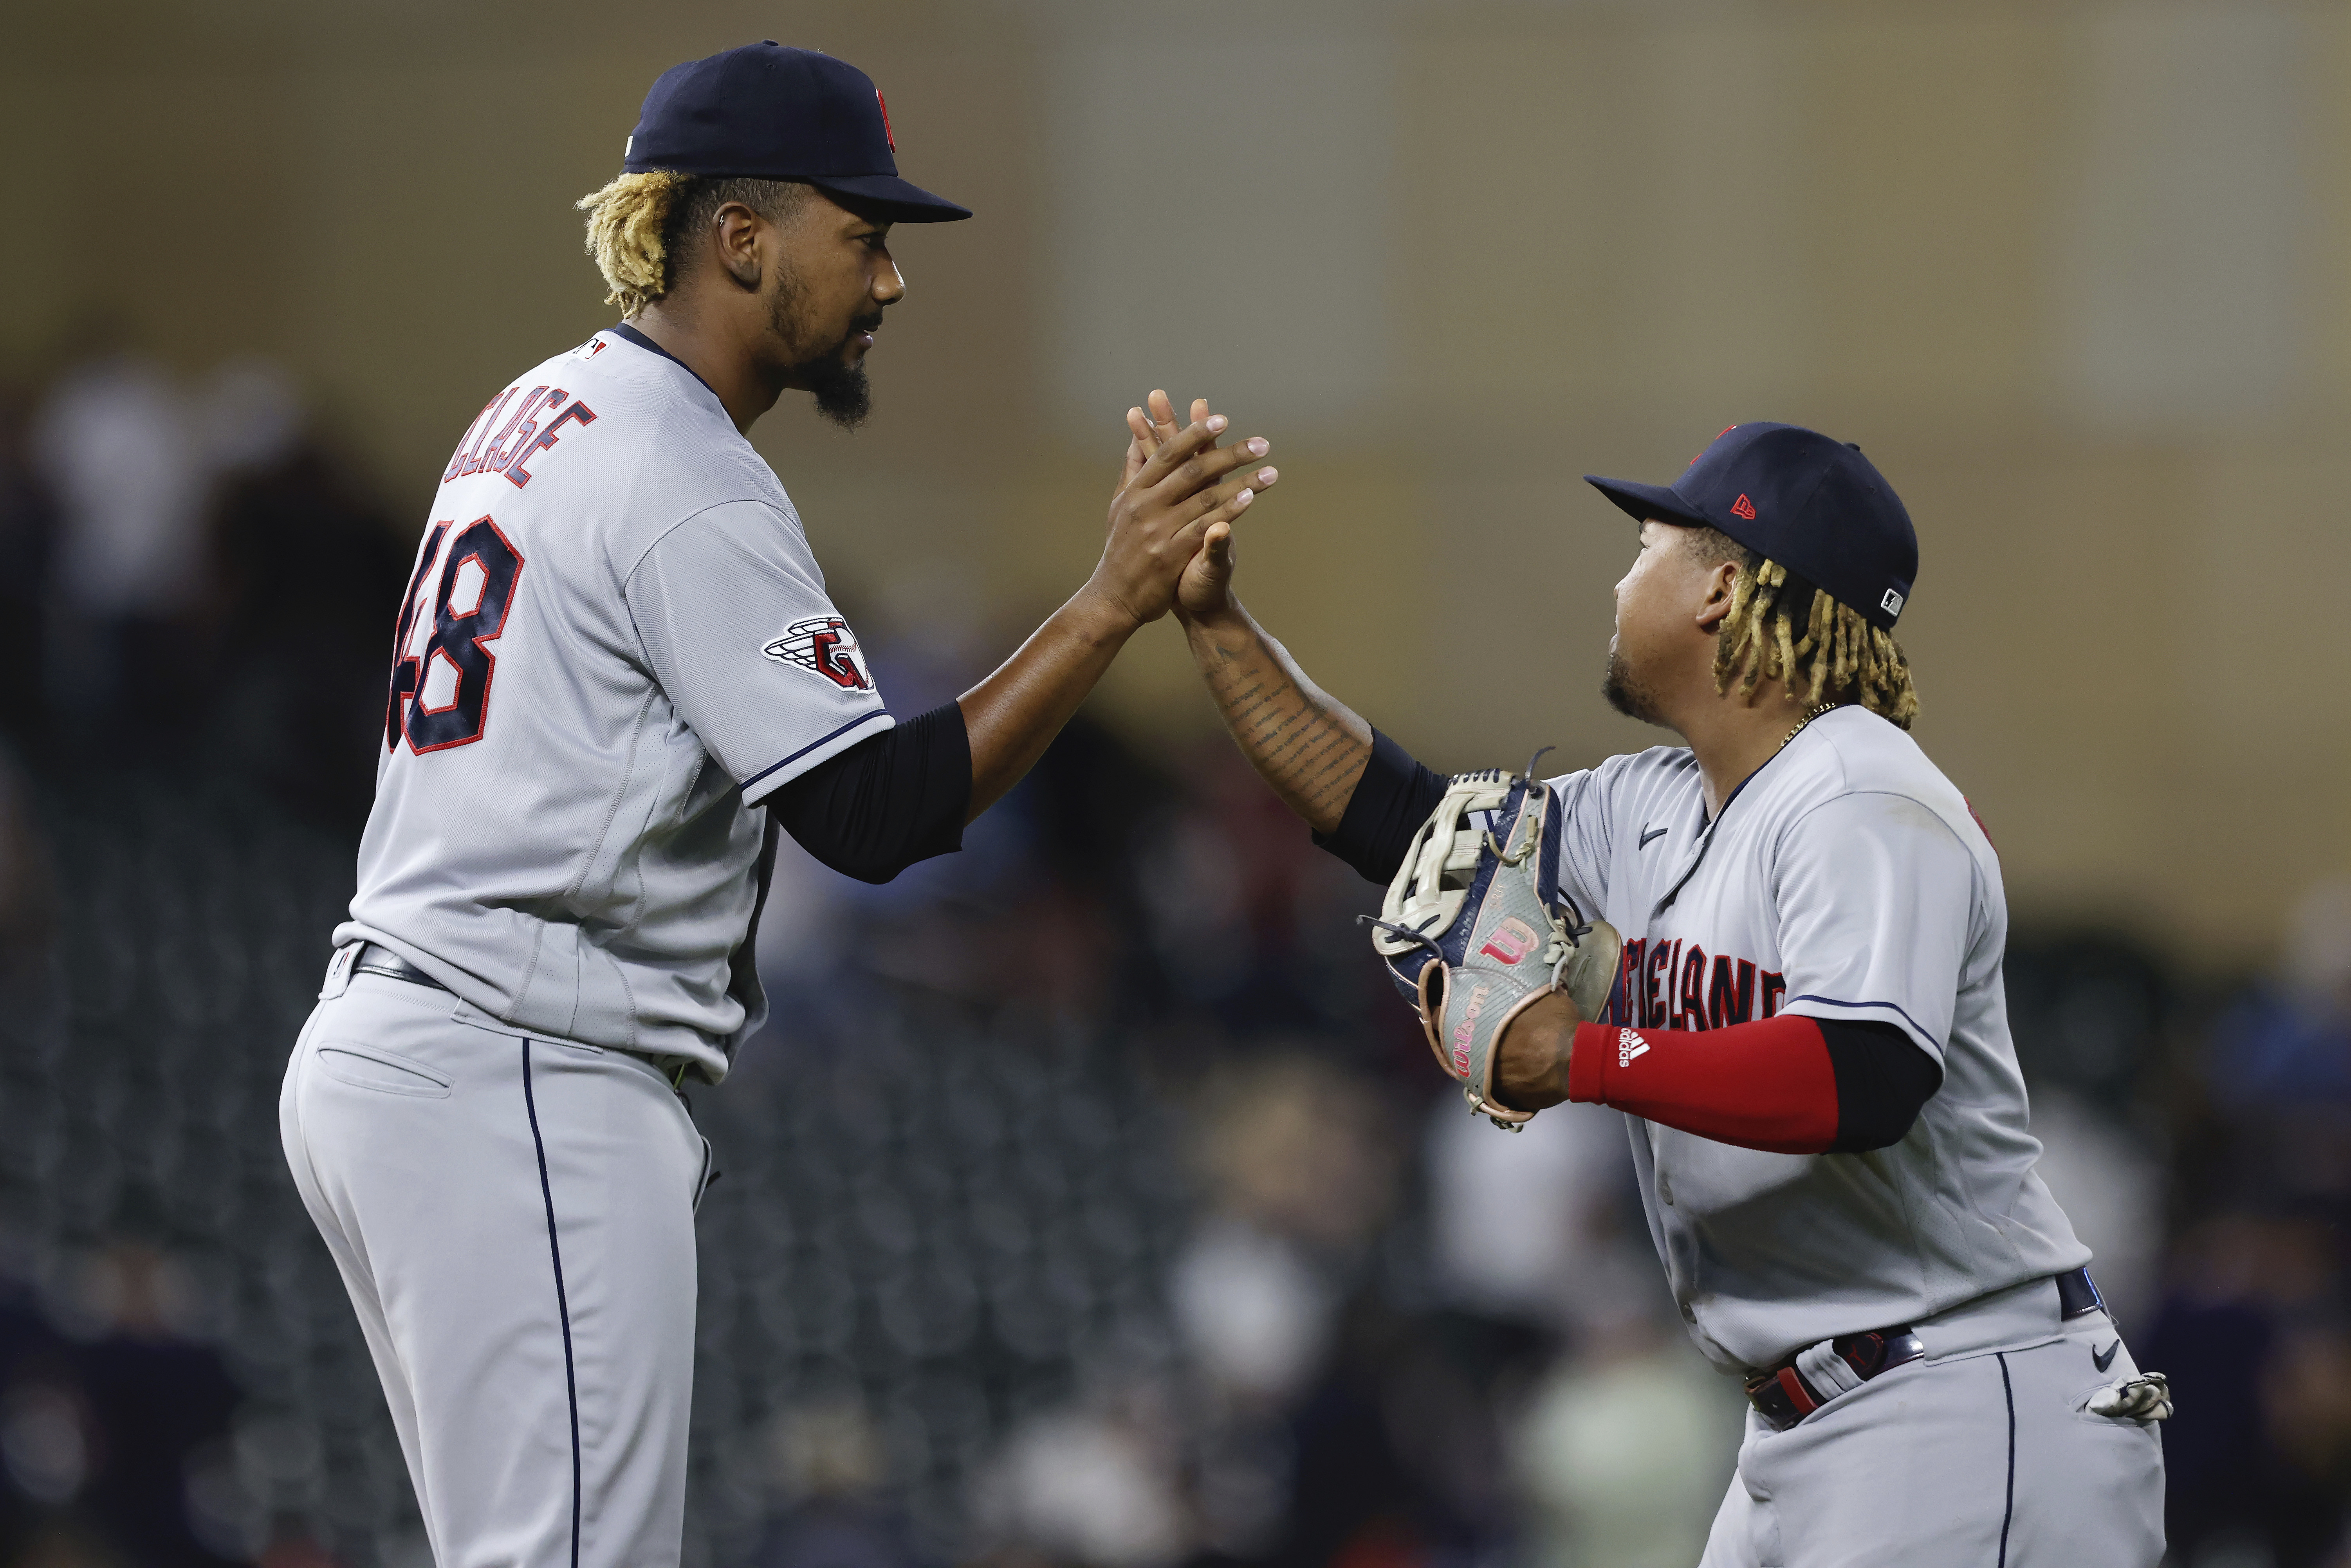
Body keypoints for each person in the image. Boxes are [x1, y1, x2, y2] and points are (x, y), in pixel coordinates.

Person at [278, 45, 1277, 1568]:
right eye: (861, 236)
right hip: (521, 1060)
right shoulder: (681, 468)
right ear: (740, 236)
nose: (886, 282)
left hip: (410, 1046)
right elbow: (874, 816)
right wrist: (1110, 599)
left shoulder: (541, 407)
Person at [1153, 408, 2168, 1566]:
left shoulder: (1861, 794)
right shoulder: (1649, 804)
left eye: (1650, 548)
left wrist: (1575, 1057)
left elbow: (1864, 1073)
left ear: (1724, 590)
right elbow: (1398, 817)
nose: (1626, 573)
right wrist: (1215, 625)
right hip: (1822, 1422)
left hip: (1962, 1403)